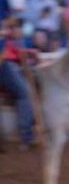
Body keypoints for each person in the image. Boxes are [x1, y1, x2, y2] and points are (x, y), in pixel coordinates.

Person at [0, 18, 37, 150]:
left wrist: (28, 54)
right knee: (25, 93)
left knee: (33, 89)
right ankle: (25, 137)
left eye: (19, 27)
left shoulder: (16, 41)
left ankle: (29, 132)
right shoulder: (7, 39)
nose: (18, 30)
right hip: (5, 65)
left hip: (12, 65)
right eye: (16, 27)